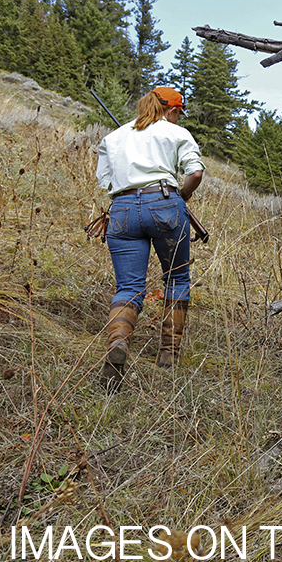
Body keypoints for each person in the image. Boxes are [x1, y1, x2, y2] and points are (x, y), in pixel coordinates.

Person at [95, 86, 205, 390]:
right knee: (176, 278)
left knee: (129, 287)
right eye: (178, 113)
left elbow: (105, 180)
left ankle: (118, 341)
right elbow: (195, 173)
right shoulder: (176, 132)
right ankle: (168, 356)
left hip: (122, 210)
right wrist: (182, 196)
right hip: (165, 205)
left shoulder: (114, 137)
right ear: (172, 110)